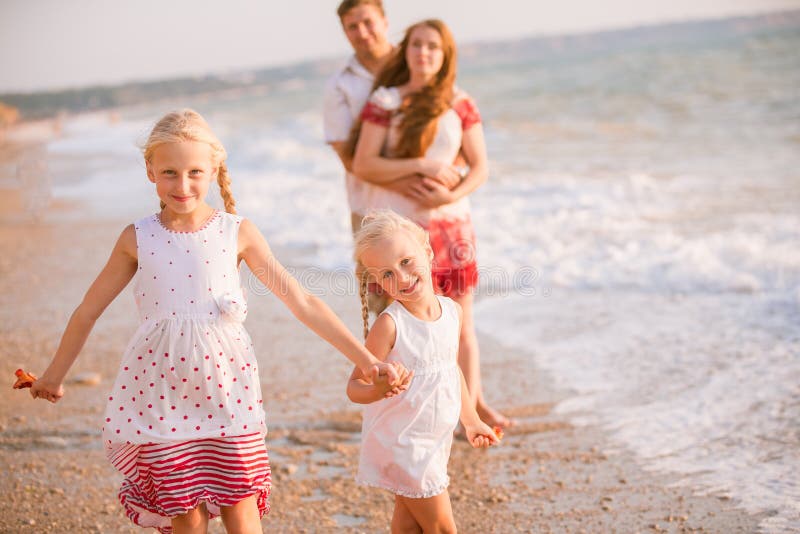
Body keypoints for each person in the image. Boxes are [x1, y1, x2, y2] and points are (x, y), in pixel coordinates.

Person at [28, 109, 410, 534]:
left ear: (213, 170)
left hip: (229, 393)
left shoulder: (236, 231)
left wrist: (366, 361)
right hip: (162, 395)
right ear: (150, 171)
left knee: (241, 508)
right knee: (187, 517)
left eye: (195, 172)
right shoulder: (137, 238)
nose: (183, 185)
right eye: (169, 172)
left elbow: (302, 302)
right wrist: (54, 376)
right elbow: (88, 309)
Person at [347, 19, 515, 430]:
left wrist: (448, 195)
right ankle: (412, 410)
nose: (424, 53)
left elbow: (480, 168)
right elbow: (364, 164)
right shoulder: (386, 101)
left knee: (460, 324)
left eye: (433, 47)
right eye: (417, 45)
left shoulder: (460, 102)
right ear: (405, 51)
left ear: (445, 56)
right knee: (402, 325)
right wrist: (423, 166)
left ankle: (473, 409)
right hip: (398, 233)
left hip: (451, 224)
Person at [347, 210, 499, 533]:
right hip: (403, 443)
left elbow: (450, 371)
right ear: (377, 282)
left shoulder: (452, 312)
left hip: (434, 440)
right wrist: (377, 389)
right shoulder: (390, 325)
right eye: (387, 274)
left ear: (427, 251)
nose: (401, 278)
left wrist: (471, 420)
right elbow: (354, 386)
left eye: (406, 262)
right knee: (443, 528)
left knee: (409, 526)